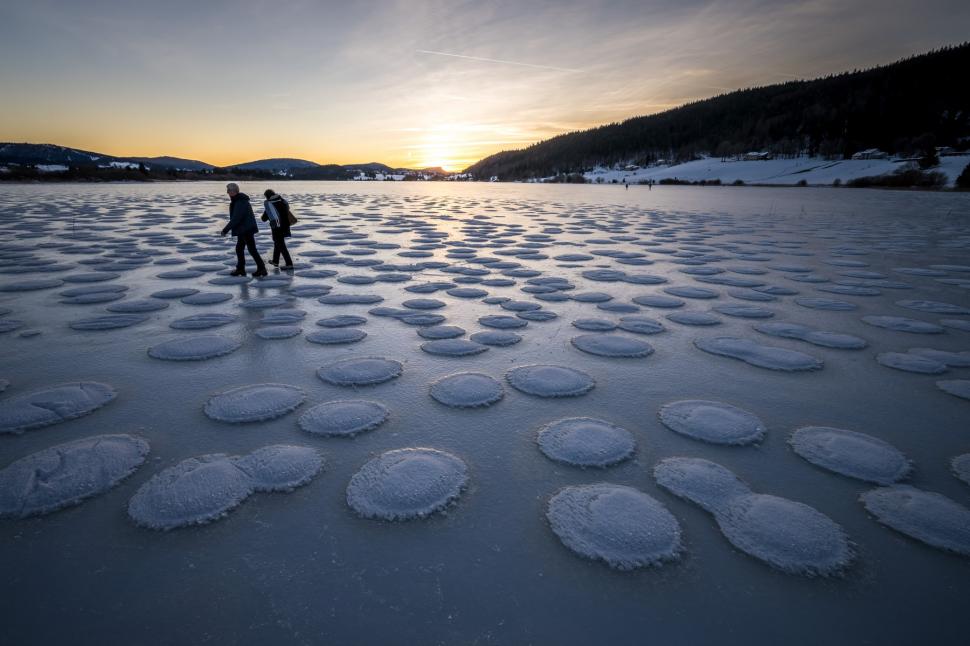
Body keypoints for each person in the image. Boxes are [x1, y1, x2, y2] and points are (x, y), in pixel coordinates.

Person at [221, 183, 267, 277]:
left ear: (234, 191)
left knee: (251, 249)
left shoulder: (240, 201)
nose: (227, 192)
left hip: (246, 229)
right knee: (240, 248)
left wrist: (225, 230)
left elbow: (236, 218)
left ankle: (261, 268)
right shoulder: (238, 200)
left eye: (229, 190)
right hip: (244, 229)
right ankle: (241, 269)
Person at [261, 189, 294, 269]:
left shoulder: (270, 204)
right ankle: (275, 261)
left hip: (277, 227)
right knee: (278, 243)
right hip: (285, 225)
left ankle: (289, 264)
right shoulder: (282, 201)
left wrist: (264, 216)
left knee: (281, 245)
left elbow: (264, 218)